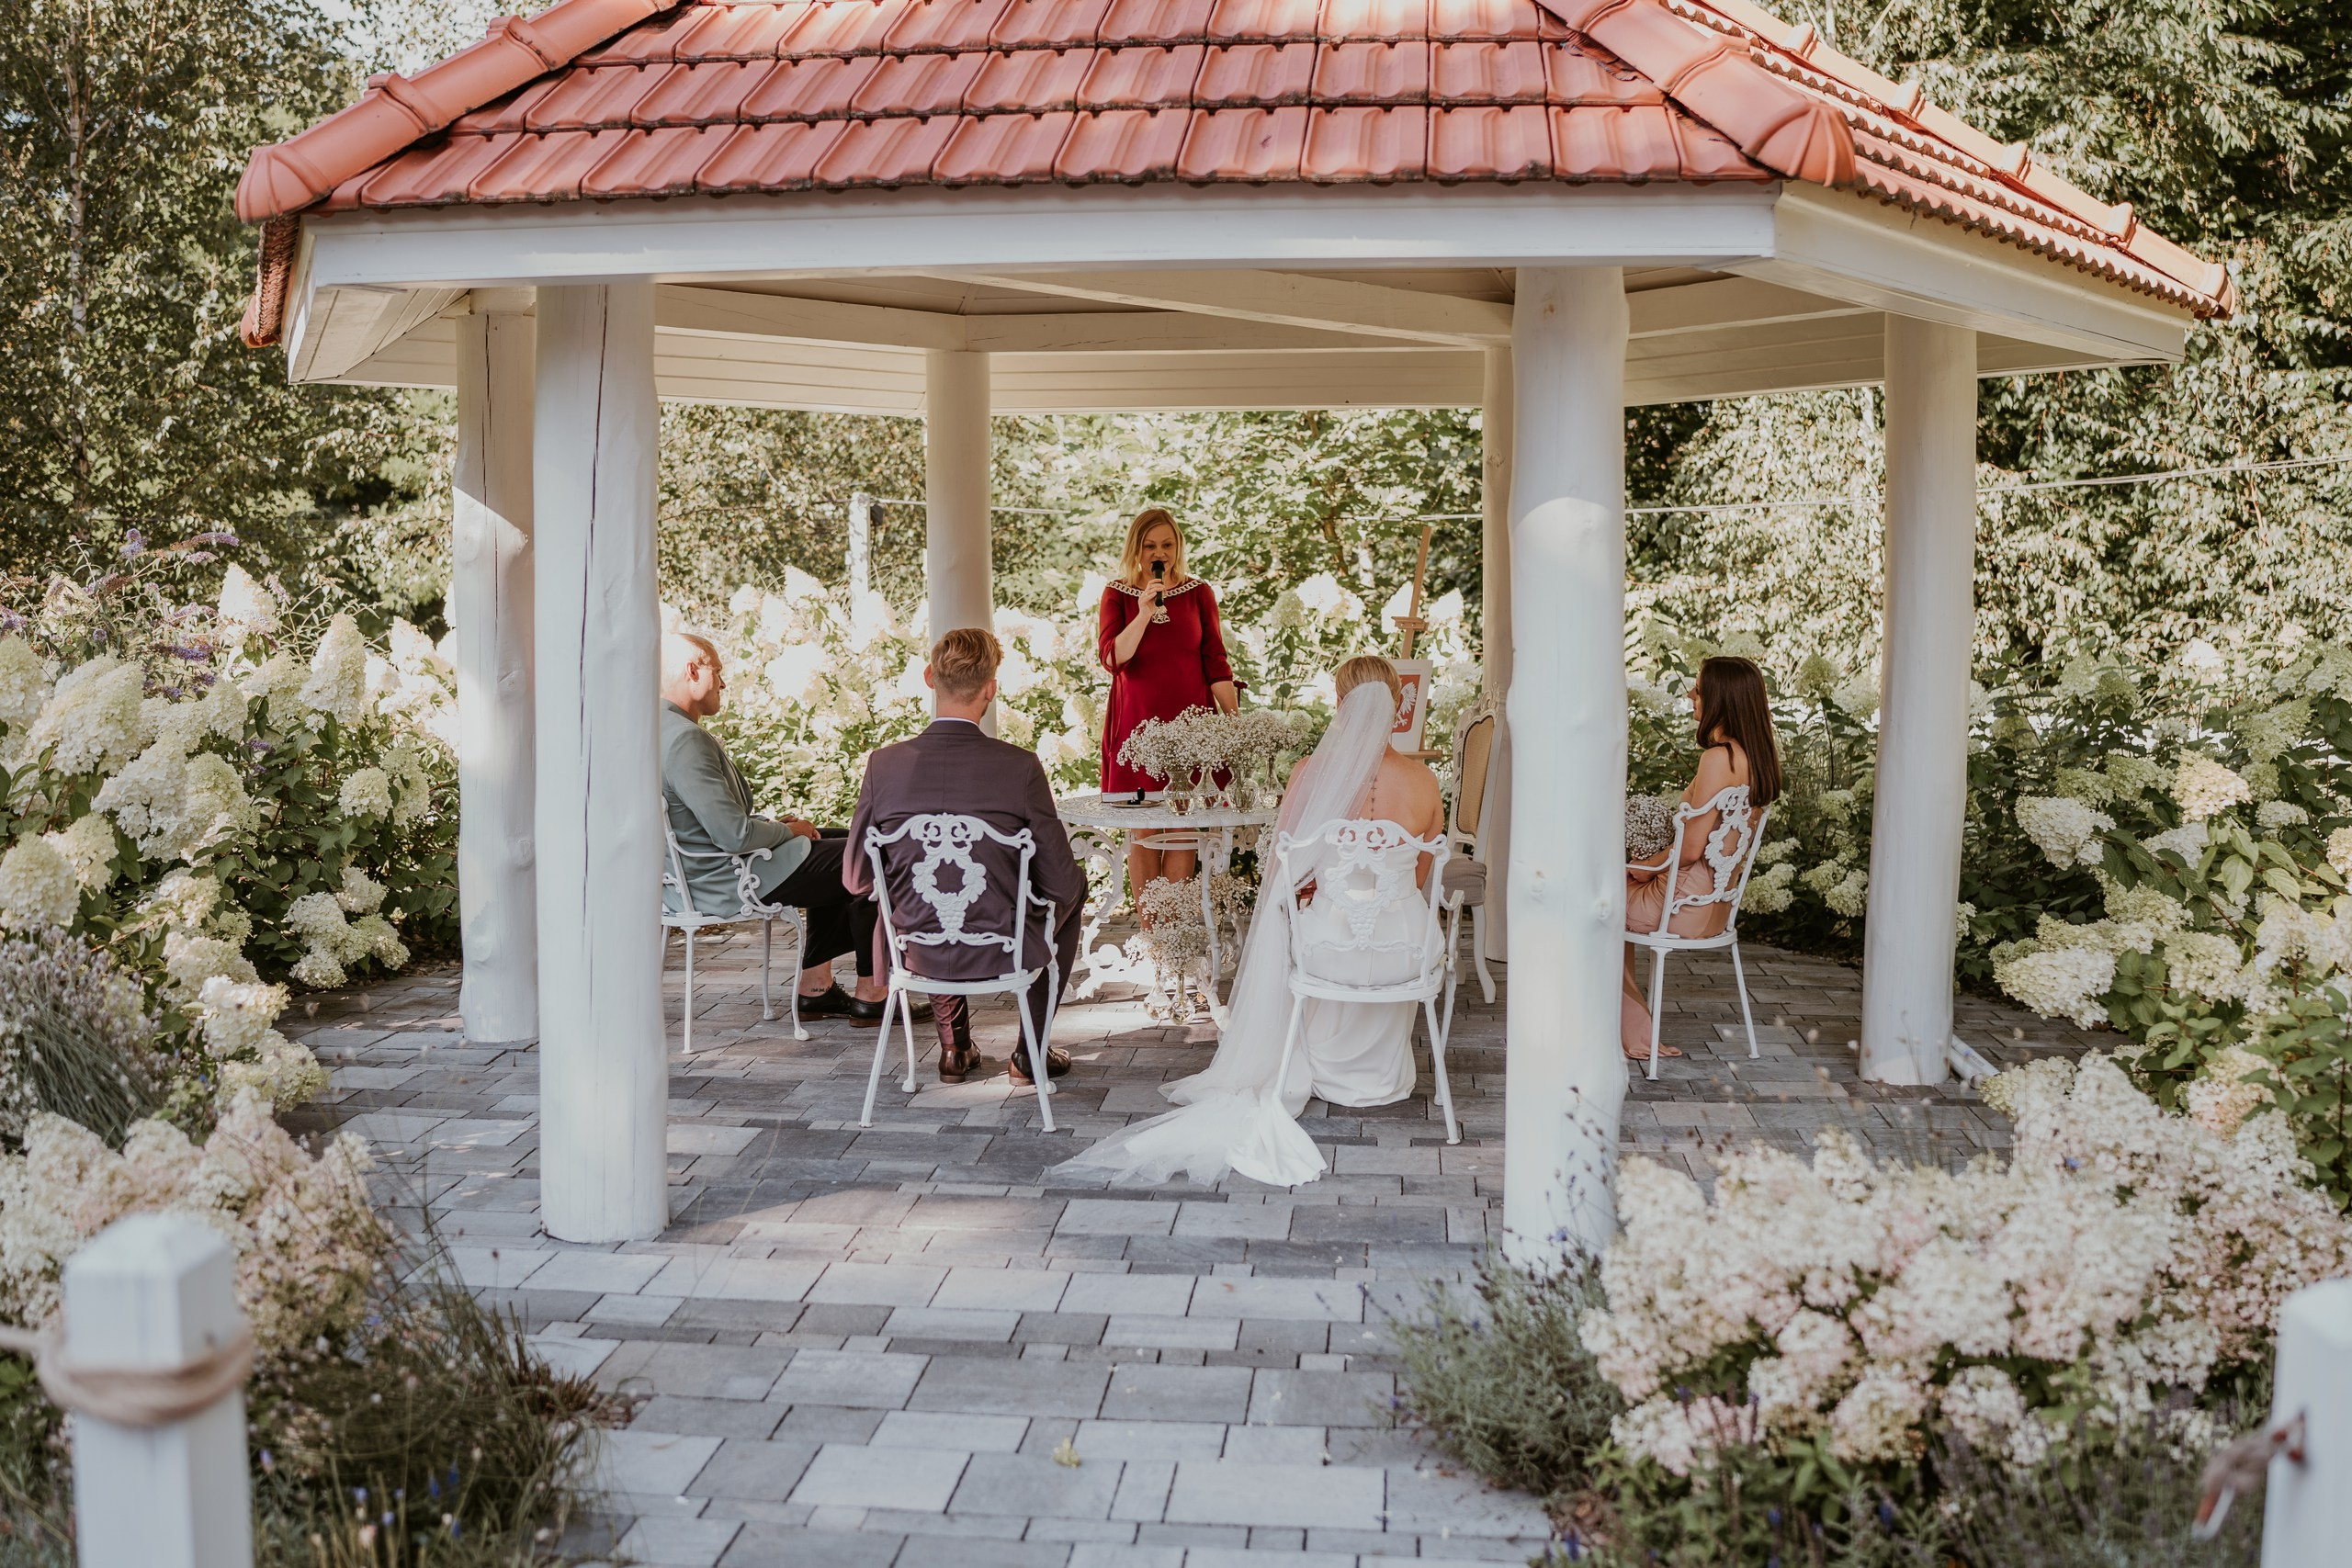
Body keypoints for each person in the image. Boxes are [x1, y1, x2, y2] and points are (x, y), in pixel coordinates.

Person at [1052, 657, 1443, 1189]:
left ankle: (1315, 1059)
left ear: (1339, 705)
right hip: (1403, 953)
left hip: (1329, 952)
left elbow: (1285, 866)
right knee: (1399, 919)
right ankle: (1380, 1075)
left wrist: (1317, 893)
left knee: (1304, 923)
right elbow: (1417, 878)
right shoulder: (1424, 782)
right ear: (1397, 706)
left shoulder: (1310, 774)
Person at [846, 628, 1084, 1087]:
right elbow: (1060, 883)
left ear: (929, 677)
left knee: (927, 900)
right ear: (991, 689)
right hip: (1001, 946)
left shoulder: (883, 766)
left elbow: (856, 878)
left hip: (915, 950)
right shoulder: (1019, 766)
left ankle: (954, 1050)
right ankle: (1029, 1054)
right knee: (1075, 890)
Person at [661, 631, 888, 1022]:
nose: (723, 683)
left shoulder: (655, 731)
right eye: (718, 671)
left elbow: (704, 823)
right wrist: (788, 832)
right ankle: (873, 994)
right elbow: (733, 835)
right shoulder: (684, 739)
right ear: (692, 671)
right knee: (869, 853)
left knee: (840, 838)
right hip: (725, 879)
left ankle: (815, 989)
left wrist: (772, 826)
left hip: (698, 872)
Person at [1622, 655, 1781, 1060]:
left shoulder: (1718, 758)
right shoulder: (1757, 761)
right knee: (1611, 886)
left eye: (1699, 688)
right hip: (1715, 909)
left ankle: (1630, 1033)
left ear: (1722, 699)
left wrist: (1641, 868)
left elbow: (1691, 849)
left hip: (1679, 906)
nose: (1692, 694)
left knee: (1593, 898)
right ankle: (1629, 1026)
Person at [1097, 508, 1238, 895]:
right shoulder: (1117, 594)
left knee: (1182, 827)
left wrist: (1235, 723)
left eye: (1167, 545)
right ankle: (1150, 929)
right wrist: (1144, 612)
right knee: (1144, 830)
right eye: (1150, 546)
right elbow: (1112, 659)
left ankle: (1175, 924)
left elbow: (1216, 662)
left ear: (1178, 547)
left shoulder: (1199, 593)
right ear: (1136, 549)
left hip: (1191, 729)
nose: (1159, 554)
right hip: (1138, 728)